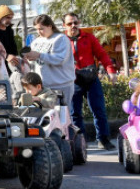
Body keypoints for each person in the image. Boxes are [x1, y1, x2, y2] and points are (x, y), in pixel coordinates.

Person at [63, 13, 117, 150]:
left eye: (75, 22)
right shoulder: (61, 40)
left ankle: (103, 139)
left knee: (99, 110)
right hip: (73, 80)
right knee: (75, 114)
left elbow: (102, 54)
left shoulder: (89, 37)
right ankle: (80, 143)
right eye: (69, 23)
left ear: (79, 22)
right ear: (64, 25)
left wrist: (110, 71)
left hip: (91, 79)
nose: (73, 26)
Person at [21, 15, 76, 129]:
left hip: (62, 85)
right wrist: (27, 58)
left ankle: (67, 142)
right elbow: (33, 62)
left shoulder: (61, 38)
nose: (39, 32)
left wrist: (39, 55)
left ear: (50, 26)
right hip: (44, 87)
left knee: (63, 118)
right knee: (47, 118)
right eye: (36, 29)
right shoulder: (36, 41)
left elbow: (60, 59)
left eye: (41, 28)